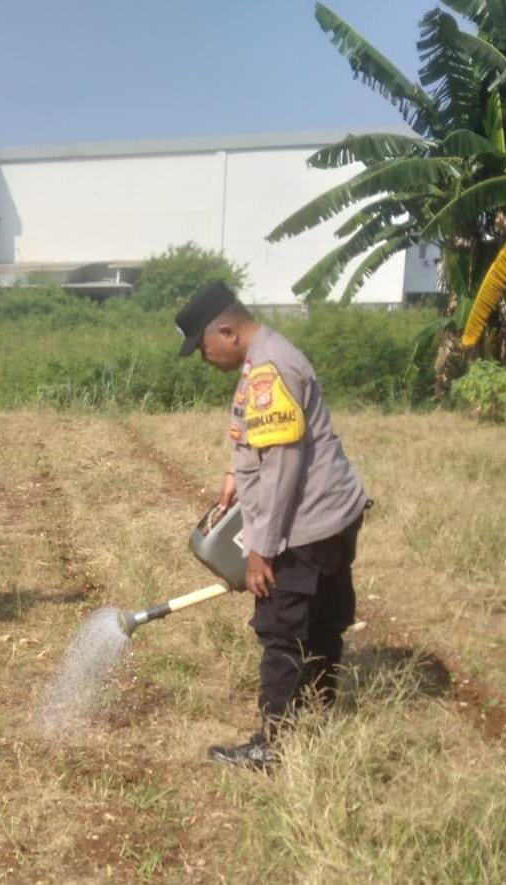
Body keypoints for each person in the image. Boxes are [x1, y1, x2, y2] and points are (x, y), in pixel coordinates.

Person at [174, 281, 369, 770]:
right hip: (332, 515)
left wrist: (261, 549)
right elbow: (261, 439)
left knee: (282, 631)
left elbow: (282, 465)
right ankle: (316, 720)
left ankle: (273, 746)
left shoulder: (268, 368)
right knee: (326, 621)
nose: (204, 357)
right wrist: (233, 473)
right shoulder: (267, 355)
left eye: (202, 347)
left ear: (226, 330)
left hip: (302, 527)